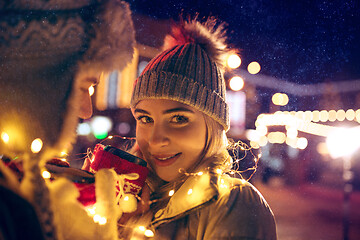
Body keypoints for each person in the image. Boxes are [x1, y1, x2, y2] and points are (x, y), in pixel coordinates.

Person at [122, 17, 277, 239]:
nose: (155, 140)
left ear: (213, 124)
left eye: (178, 118)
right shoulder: (126, 198)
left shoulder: (234, 203)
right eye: (145, 119)